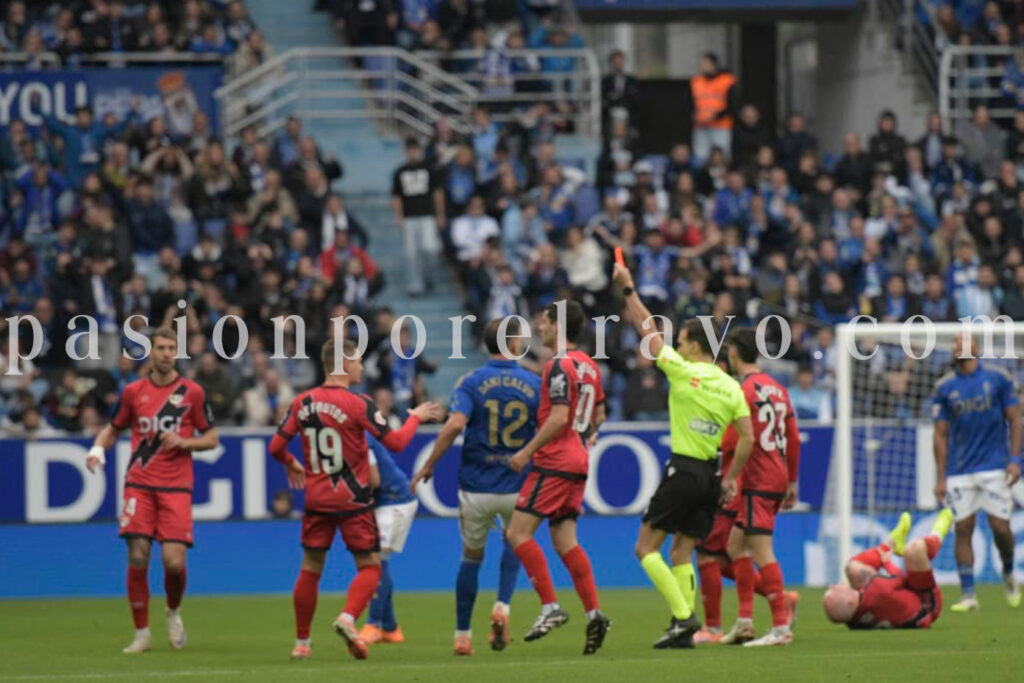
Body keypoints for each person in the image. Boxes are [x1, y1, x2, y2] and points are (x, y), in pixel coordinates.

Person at [268, 339, 442, 661]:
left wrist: (292, 464)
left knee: (310, 569)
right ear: (345, 364)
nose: (362, 367)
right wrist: (415, 416)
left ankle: (302, 644)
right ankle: (348, 618)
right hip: (354, 501)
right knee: (370, 567)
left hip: (317, 499)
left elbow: (275, 447)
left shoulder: (301, 402)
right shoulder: (359, 403)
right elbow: (398, 443)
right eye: (358, 361)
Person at [612, 262, 753, 650]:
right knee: (682, 551)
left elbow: (646, 328)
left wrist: (628, 289)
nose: (678, 346)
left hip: (684, 470)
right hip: (710, 476)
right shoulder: (731, 386)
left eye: (683, 341)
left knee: (645, 548)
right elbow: (747, 437)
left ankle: (683, 615)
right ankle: (682, 627)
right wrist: (730, 478)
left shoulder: (681, 370)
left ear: (692, 345)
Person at [85, 328, 219, 654]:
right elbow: (113, 428)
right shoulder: (133, 392)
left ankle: (172, 610)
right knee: (138, 553)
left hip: (176, 486)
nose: (166, 353)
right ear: (150, 352)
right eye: (161, 347)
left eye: (172, 347)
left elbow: (212, 437)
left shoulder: (192, 393)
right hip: (139, 484)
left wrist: (186, 442)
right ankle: (142, 632)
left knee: (173, 562)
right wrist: (97, 450)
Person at [412, 318, 540, 655]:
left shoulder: (471, 382)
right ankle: (502, 607)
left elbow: (455, 424)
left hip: (476, 486)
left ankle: (462, 635)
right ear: (514, 345)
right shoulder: (534, 382)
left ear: (487, 345)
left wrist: (430, 463)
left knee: (471, 557)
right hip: (516, 484)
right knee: (516, 541)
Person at [505, 301, 611, 655]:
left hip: (554, 460)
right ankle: (594, 612)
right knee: (566, 542)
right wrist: (589, 435)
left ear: (558, 326)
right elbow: (599, 411)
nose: (539, 325)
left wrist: (526, 451)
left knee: (517, 533)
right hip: (579, 460)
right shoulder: (590, 366)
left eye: (545, 320)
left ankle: (550, 606)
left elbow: (558, 417)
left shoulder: (558, 365)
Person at [714, 329, 800, 647]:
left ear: (734, 353)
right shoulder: (778, 388)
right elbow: (792, 437)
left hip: (757, 478)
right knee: (735, 546)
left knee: (762, 552)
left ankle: (780, 627)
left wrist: (731, 476)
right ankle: (745, 621)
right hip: (776, 474)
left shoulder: (743, 391)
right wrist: (792, 479)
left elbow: (739, 439)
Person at [932, 333, 1022, 612]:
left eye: (963, 341)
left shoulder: (998, 378)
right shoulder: (945, 387)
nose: (958, 345)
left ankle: (1008, 571)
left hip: (995, 466)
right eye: (955, 342)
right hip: (960, 470)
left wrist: (1016, 459)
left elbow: (1015, 419)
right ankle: (968, 594)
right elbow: (940, 434)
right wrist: (941, 477)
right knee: (963, 528)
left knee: (1001, 529)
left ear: (977, 348)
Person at [823, 509, 954, 629]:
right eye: (835, 590)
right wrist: (887, 563)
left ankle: (891, 544)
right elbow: (900, 578)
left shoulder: (854, 621)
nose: (833, 585)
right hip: (926, 605)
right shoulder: (878, 590)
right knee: (914, 550)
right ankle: (937, 533)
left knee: (854, 569)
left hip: (899, 607)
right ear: (850, 602)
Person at [360, 434, 419, 646]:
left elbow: (373, 480)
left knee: (377, 560)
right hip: (382, 502)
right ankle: (390, 627)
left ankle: (373, 624)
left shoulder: (359, 435)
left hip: (395, 499)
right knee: (377, 561)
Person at [391, 136, 446, 296]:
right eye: (410, 150)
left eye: (415, 149)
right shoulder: (400, 172)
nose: (412, 153)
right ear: (406, 152)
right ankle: (415, 285)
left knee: (430, 248)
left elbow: (437, 193)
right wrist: (399, 216)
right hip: (409, 216)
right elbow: (397, 196)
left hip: (427, 215)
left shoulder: (429, 169)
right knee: (411, 252)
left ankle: (428, 275)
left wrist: (440, 214)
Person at [689, 52, 737, 163]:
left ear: (714, 64)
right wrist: (694, 115)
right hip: (700, 125)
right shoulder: (696, 82)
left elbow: (732, 105)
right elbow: (691, 102)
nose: (702, 66)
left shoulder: (727, 81)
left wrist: (716, 117)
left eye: (705, 63)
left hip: (721, 125)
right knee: (700, 156)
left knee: (722, 155)